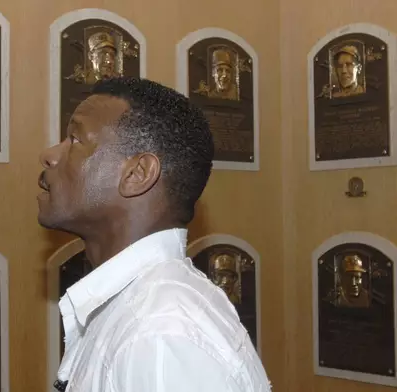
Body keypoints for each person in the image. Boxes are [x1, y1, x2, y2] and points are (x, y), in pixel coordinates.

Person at [38, 76, 270, 391]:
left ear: (137, 174)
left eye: (75, 140)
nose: (50, 155)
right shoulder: (139, 311)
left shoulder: (159, 335)